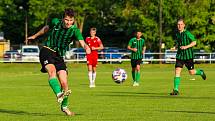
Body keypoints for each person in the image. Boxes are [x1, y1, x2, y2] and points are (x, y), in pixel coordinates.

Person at [27, 8, 91, 116]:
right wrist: (35, 36)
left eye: (71, 21)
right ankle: (58, 94)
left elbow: (82, 42)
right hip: (47, 50)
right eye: (66, 20)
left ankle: (64, 107)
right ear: (62, 19)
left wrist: (86, 47)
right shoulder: (55, 22)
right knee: (52, 72)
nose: (68, 23)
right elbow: (46, 28)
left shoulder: (75, 30)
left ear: (74, 20)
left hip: (59, 56)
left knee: (65, 83)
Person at [170, 18, 206, 95]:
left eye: (181, 24)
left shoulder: (187, 33)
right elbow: (178, 44)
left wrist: (186, 47)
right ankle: (175, 89)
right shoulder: (177, 34)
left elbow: (194, 42)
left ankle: (200, 72)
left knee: (191, 72)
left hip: (188, 56)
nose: (179, 26)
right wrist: (175, 47)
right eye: (178, 24)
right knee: (177, 71)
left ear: (184, 25)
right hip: (180, 56)